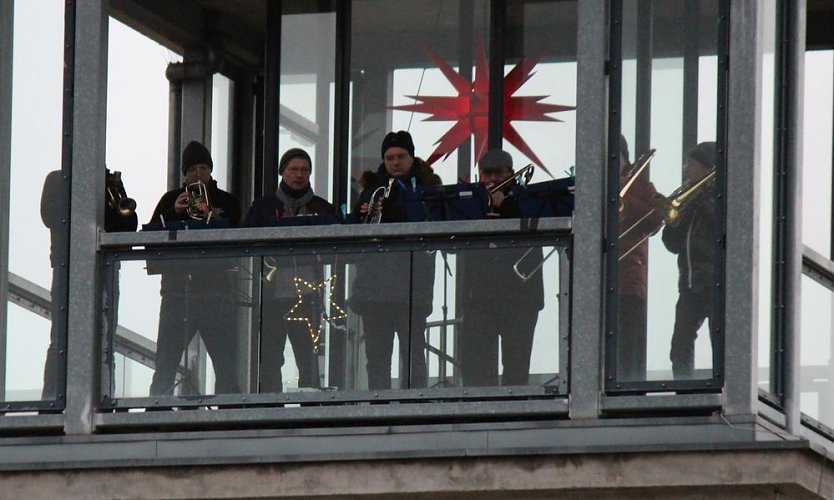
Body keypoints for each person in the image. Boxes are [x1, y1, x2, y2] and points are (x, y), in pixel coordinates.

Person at [147, 140, 242, 396]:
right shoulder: (170, 200)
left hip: (217, 292)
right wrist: (174, 211)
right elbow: (151, 236)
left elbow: (238, 237)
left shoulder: (226, 201)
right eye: (192, 170)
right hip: (177, 293)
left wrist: (211, 215)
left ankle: (230, 420)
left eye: (203, 168)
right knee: (165, 363)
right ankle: (155, 418)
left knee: (226, 365)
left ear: (210, 171)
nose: (198, 174)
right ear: (185, 175)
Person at [349, 130, 441, 390]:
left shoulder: (427, 188)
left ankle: (415, 407)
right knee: (377, 357)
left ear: (412, 157)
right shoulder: (371, 189)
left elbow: (432, 224)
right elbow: (356, 233)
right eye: (389, 158)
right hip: (373, 289)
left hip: (413, 286)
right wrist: (361, 214)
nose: (395, 162)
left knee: (413, 355)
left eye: (401, 156)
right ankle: (379, 407)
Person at [40, 168, 138, 399]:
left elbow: (128, 225)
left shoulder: (110, 183)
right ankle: (51, 400)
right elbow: (49, 215)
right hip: (68, 267)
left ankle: (105, 398)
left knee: (105, 341)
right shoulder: (58, 179)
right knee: (60, 340)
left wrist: (114, 192)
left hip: (106, 270)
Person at [243, 148, 335, 392]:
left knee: (308, 359)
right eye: (293, 169)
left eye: (304, 170)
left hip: (308, 295)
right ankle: (272, 411)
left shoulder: (324, 208)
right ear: (282, 172)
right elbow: (245, 240)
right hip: (271, 295)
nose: (299, 175)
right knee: (271, 358)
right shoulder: (263, 207)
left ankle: (309, 411)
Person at [458, 149, 544, 386]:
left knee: (516, 362)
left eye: (498, 173)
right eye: (487, 174)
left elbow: (536, 225)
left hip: (521, 295)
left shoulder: (527, 196)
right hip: (479, 295)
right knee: (476, 363)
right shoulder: (471, 201)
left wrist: (505, 206)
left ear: (510, 173)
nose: (493, 179)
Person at [661, 141, 718, 380]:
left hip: (715, 282)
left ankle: (724, 390)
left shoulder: (718, 196)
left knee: (722, 343)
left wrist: (701, 200)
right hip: (689, 283)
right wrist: (674, 219)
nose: (686, 169)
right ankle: (684, 391)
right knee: (680, 343)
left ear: (707, 168)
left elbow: (721, 227)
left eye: (691, 164)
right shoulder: (688, 198)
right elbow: (672, 244)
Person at [616, 136, 664, 381]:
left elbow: (657, 221)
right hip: (595, 279)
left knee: (626, 345)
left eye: (616, 157)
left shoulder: (642, 186)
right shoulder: (595, 184)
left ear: (624, 157)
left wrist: (624, 199)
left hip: (629, 279)